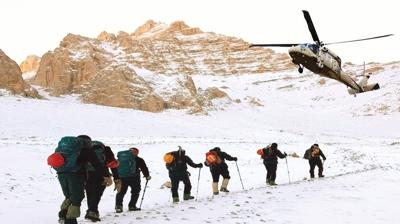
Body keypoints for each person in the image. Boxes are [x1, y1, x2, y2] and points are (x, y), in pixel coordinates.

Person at [50, 135, 110, 224]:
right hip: (76, 176)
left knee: (69, 196)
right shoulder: (87, 150)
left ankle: (63, 215)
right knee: (77, 197)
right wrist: (106, 175)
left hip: (61, 173)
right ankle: (71, 220)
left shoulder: (66, 149)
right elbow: (96, 164)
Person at [84, 142, 120, 222]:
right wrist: (116, 178)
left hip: (86, 174)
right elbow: (112, 164)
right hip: (102, 173)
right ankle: (92, 212)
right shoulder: (105, 150)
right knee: (97, 193)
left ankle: (92, 211)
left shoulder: (86, 150)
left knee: (89, 193)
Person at [115, 147, 151, 213]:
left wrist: (116, 177)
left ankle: (118, 207)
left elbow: (115, 167)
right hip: (134, 178)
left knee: (121, 191)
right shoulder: (139, 159)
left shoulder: (120, 159)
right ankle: (132, 206)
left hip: (122, 177)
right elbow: (144, 168)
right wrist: (147, 176)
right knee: (135, 191)